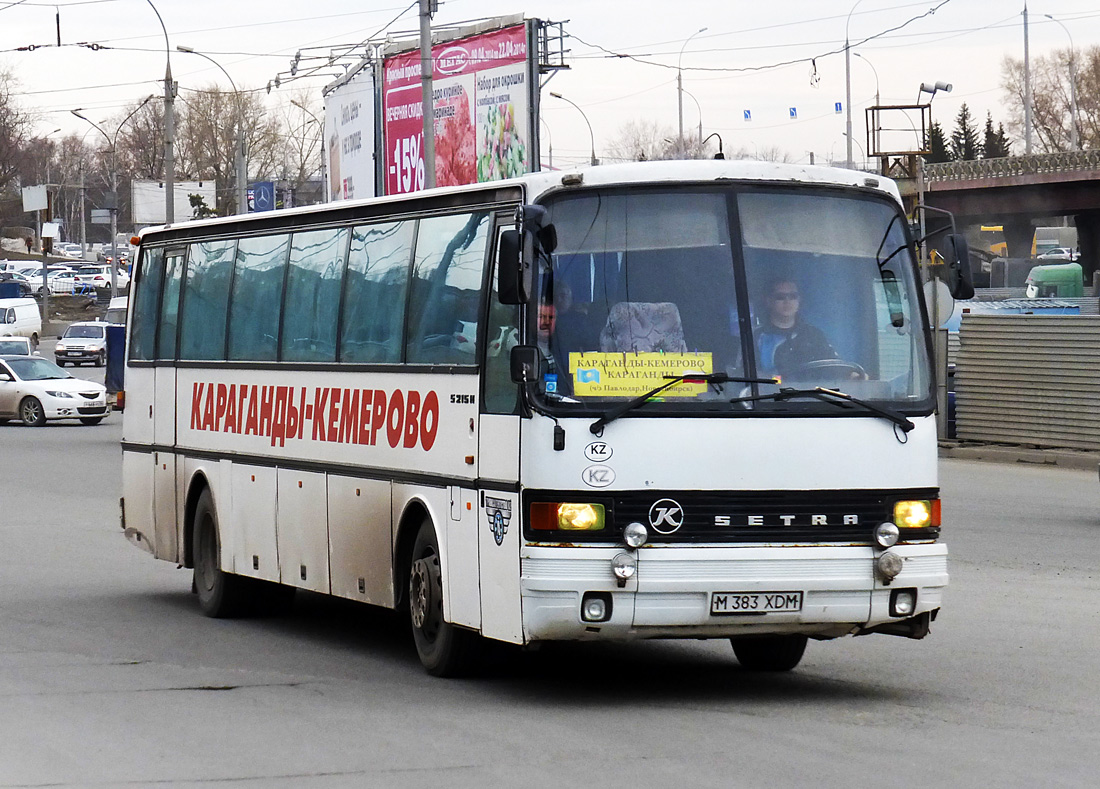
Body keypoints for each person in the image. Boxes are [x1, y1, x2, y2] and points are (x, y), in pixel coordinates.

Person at [755, 277, 838, 378]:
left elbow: (833, 366)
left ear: (799, 300)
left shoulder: (814, 335)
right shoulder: (756, 337)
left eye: (793, 296)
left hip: (812, 393)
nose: (787, 301)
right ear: (769, 301)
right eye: (780, 297)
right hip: (772, 393)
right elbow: (746, 375)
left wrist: (852, 375)